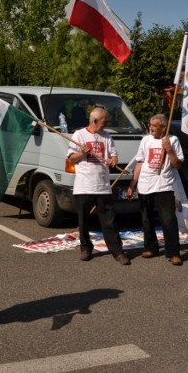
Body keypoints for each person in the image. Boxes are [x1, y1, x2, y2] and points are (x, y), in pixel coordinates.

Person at [67, 107, 130, 265]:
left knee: (109, 221)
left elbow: (114, 156)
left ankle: (117, 251)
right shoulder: (79, 135)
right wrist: (82, 153)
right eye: (104, 121)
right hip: (84, 185)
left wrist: (113, 160)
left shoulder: (106, 136)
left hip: (102, 186)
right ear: (94, 121)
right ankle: (86, 248)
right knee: (84, 220)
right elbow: (71, 159)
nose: (106, 124)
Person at [126, 114, 184, 266]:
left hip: (164, 186)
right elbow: (140, 163)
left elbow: (177, 164)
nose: (150, 128)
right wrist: (132, 184)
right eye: (150, 125)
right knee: (147, 219)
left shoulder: (173, 140)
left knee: (168, 220)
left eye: (153, 125)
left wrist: (169, 150)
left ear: (163, 127)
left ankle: (173, 252)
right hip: (145, 185)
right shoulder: (146, 140)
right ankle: (151, 247)